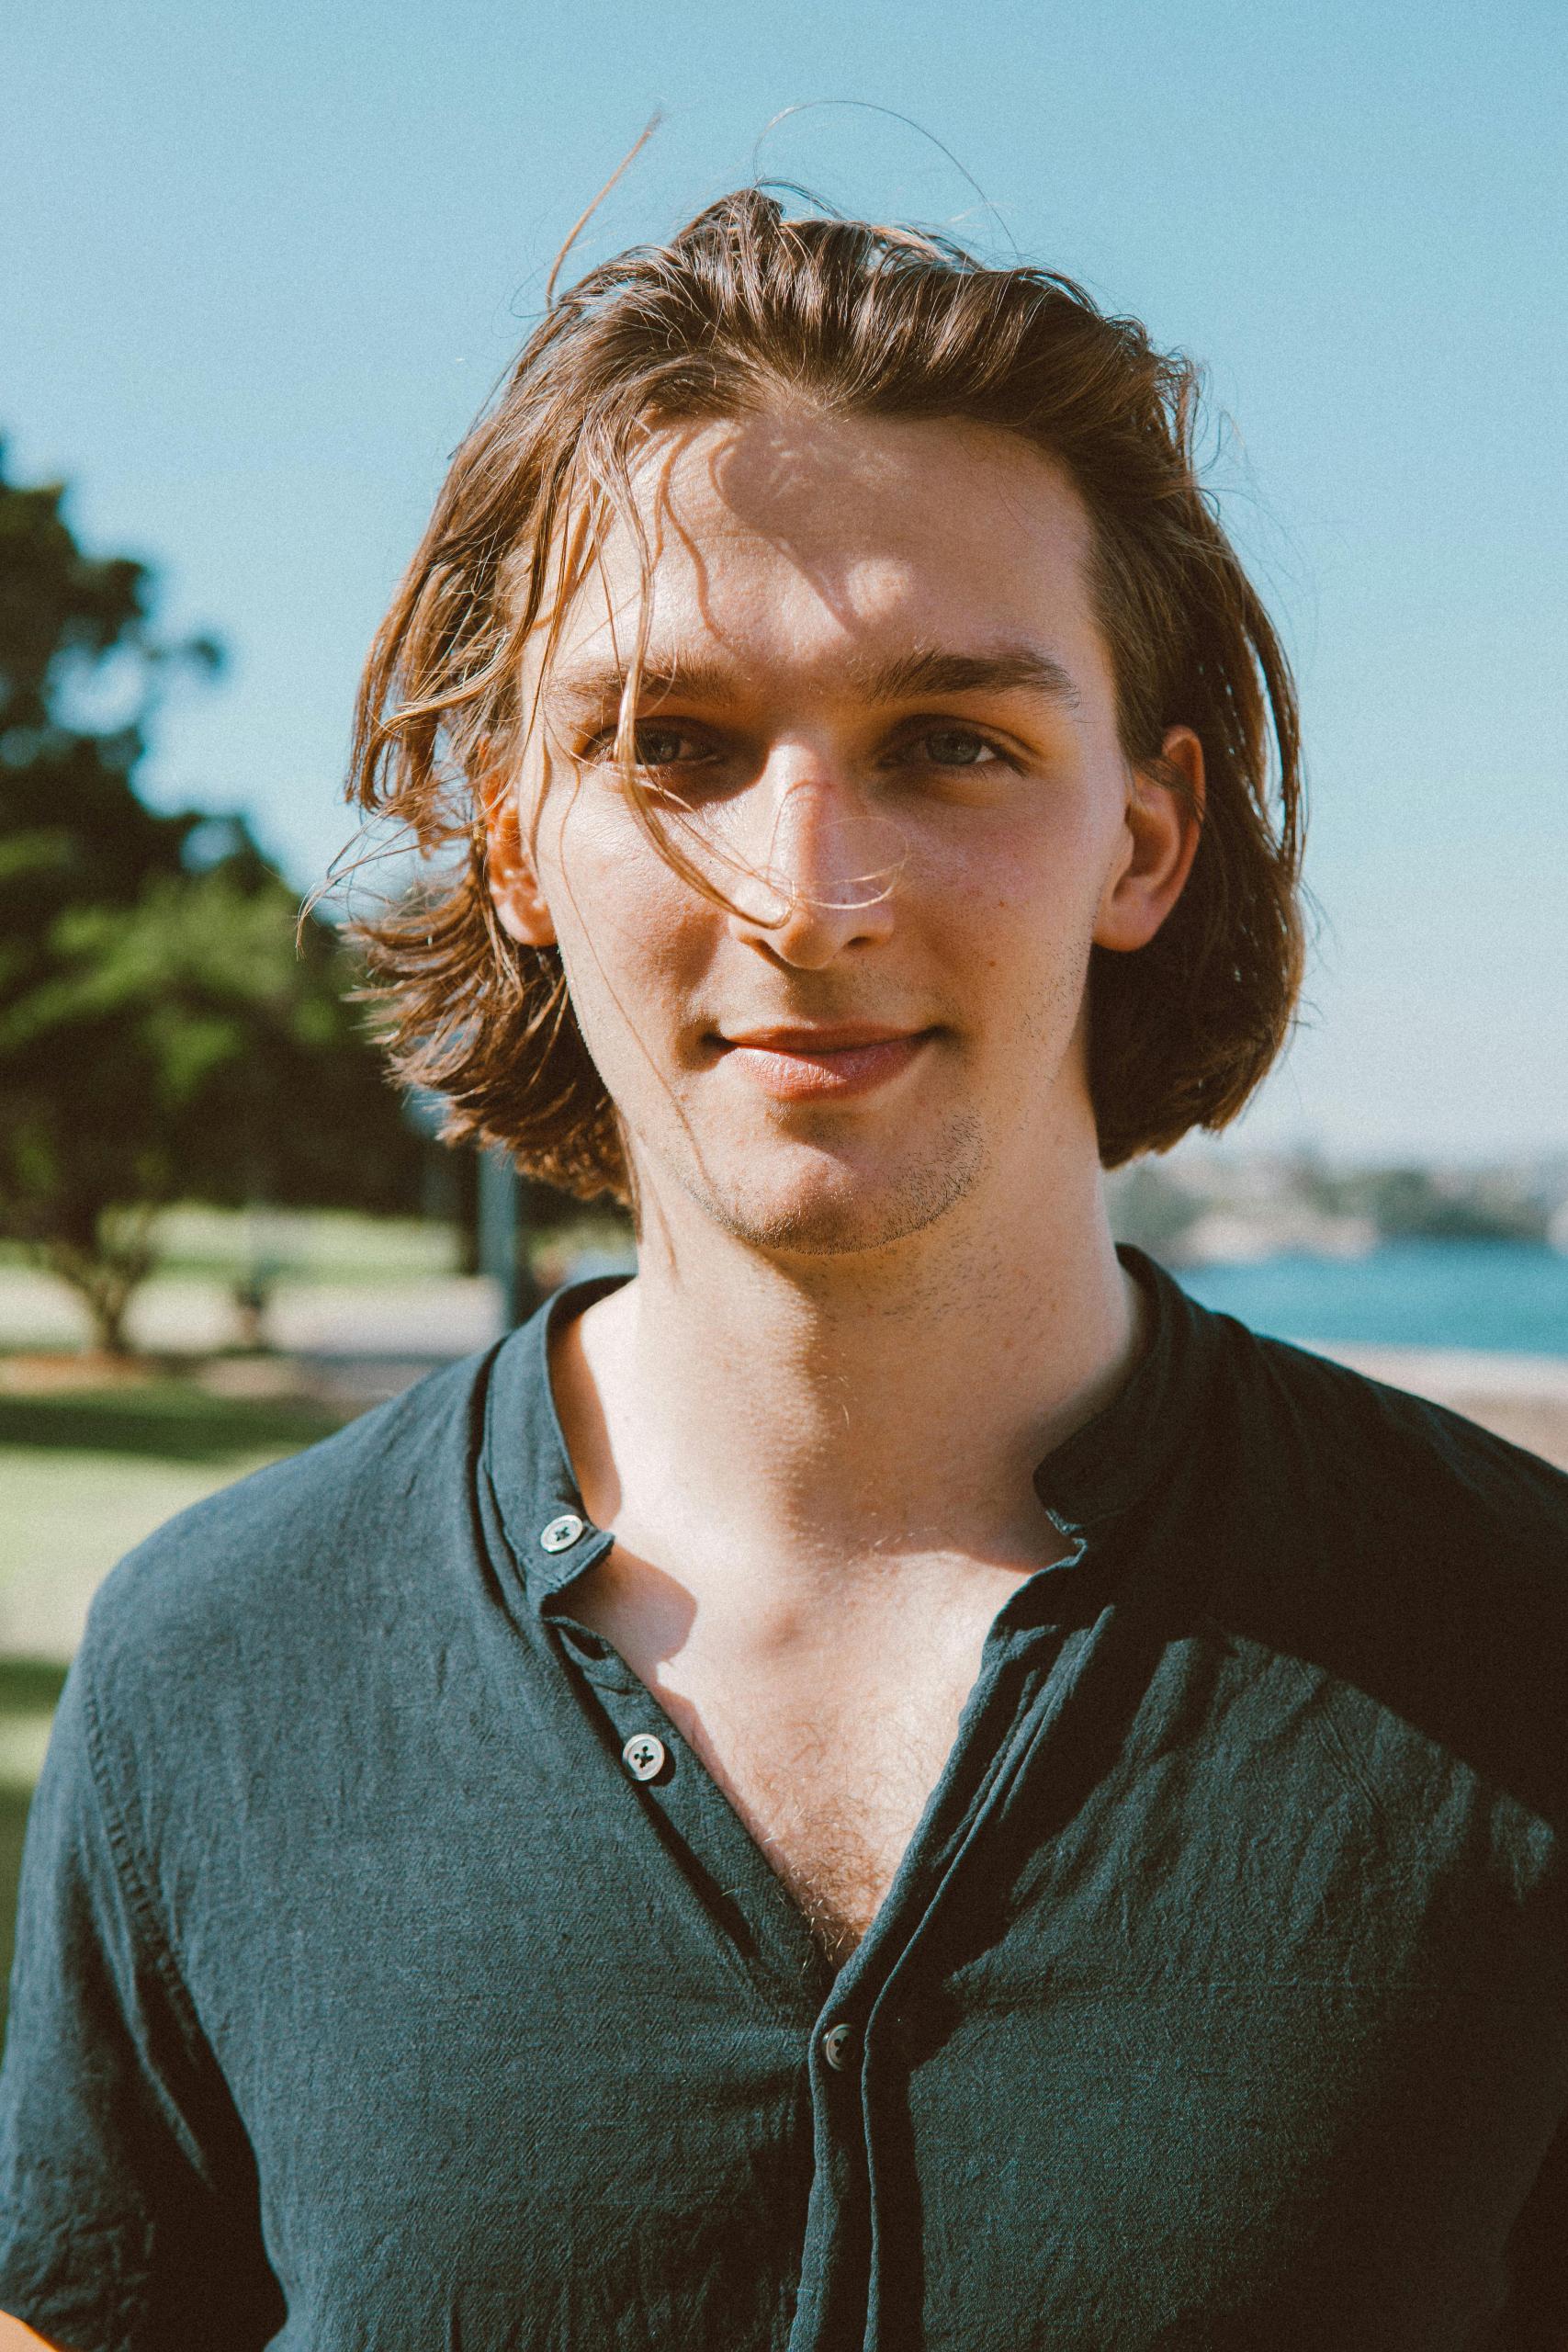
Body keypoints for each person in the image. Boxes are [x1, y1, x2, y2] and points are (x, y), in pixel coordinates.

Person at [1, 191, 1565, 2352]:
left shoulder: (1515, 1633)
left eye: (951, 740)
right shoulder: (219, 1669)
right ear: (507, 835)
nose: (807, 890)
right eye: (672, 742)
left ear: (1143, 833)